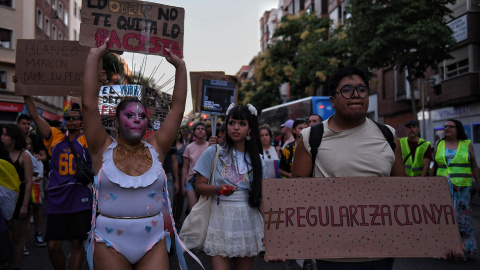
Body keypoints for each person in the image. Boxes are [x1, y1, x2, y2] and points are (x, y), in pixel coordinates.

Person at [82, 41, 188, 269]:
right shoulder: (101, 147)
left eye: (142, 116)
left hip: (153, 240)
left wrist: (180, 67)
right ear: (117, 123)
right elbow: (89, 106)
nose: (137, 119)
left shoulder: (157, 147)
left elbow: (177, 108)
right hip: (110, 240)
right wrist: (94, 55)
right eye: (130, 115)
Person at [292, 66, 405, 270]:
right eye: (347, 90)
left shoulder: (389, 135)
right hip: (333, 255)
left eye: (361, 89)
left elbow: (404, 192)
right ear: (332, 100)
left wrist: (443, 239)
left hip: (382, 251)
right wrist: (283, 242)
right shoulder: (311, 138)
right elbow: (297, 197)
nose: (355, 95)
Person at [21, 94, 92, 270]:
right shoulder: (55, 137)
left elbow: (93, 112)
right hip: (56, 201)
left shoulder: (88, 140)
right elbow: (36, 117)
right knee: (53, 246)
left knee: (77, 244)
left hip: (79, 200)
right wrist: (26, 94)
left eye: (74, 118)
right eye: (67, 117)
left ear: (82, 122)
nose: (69, 120)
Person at [194, 104, 266, 270]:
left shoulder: (258, 159)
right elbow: (199, 186)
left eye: (242, 124)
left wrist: (270, 231)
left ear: (249, 129)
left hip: (249, 219)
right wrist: (218, 190)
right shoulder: (213, 152)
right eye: (232, 122)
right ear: (226, 125)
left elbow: (262, 197)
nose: (236, 127)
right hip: (220, 218)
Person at [431, 119, 479, 257]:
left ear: (458, 129)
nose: (447, 128)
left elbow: (474, 166)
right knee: (443, 218)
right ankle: (444, 250)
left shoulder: (467, 144)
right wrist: (428, 183)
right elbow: (435, 166)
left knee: (463, 219)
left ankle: (466, 249)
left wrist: (479, 183)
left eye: (450, 127)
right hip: (442, 187)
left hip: (462, 188)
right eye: (445, 126)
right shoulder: (439, 144)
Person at [2, 124, 33, 270]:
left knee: (18, 237)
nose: (2, 137)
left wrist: (25, 205)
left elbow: (28, 182)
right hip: (3, 198)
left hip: (20, 199)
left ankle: (16, 266)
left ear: (13, 138)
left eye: (5, 135)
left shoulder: (24, 155)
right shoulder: (2, 153)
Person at [182, 122, 209, 211]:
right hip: (191, 179)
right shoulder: (189, 147)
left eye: (202, 129)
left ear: (206, 132)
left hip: (206, 180)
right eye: (198, 129)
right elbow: (185, 167)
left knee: (203, 210)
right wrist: (183, 185)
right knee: (193, 210)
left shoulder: (210, 146)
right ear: (194, 132)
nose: (200, 131)